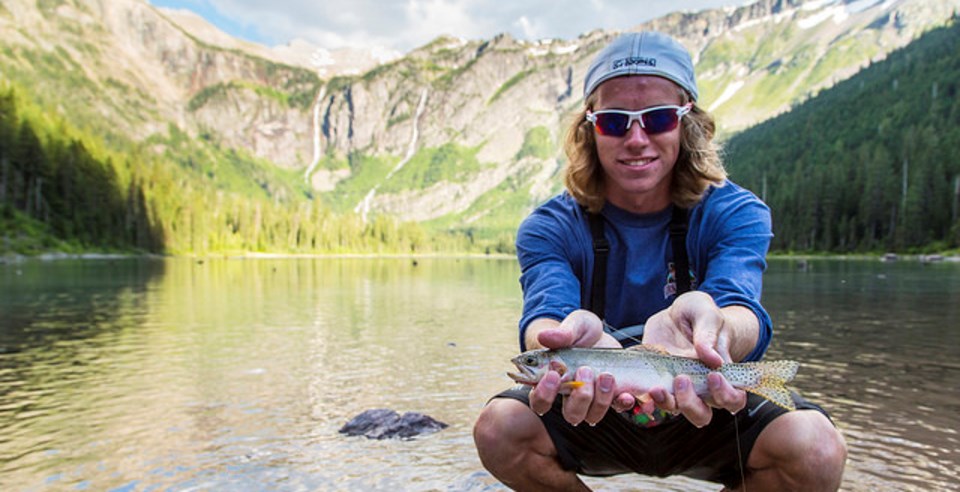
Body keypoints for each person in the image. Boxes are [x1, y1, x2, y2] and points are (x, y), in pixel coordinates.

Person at [473, 31, 847, 491]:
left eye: (658, 118)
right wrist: (554, 340)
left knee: (816, 449)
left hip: (703, 402)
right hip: (594, 406)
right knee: (498, 428)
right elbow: (544, 315)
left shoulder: (737, 212)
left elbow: (740, 305)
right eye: (614, 121)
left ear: (687, 122)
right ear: (589, 127)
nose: (636, 138)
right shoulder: (548, 225)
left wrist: (716, 335)